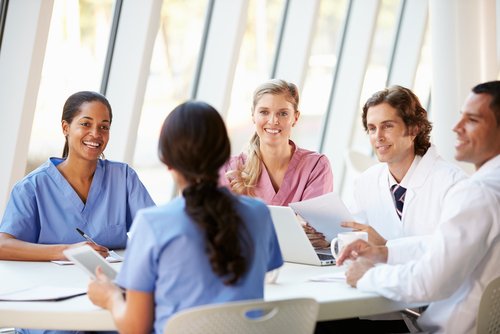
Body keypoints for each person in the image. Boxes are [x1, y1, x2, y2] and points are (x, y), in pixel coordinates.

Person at [87, 101, 283, 334]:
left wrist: (110, 297)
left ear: (167, 162)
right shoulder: (258, 213)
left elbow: (135, 327)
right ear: (222, 155)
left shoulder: (153, 224)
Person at [337, 81, 500, 334]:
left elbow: (430, 281)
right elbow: (443, 246)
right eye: (371, 128)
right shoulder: (490, 186)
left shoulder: (476, 191)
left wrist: (367, 276)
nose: (456, 128)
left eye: (473, 120)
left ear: (413, 130)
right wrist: (385, 251)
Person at [0, 91, 155, 263]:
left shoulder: (124, 177)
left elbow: (156, 228)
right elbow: (3, 246)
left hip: (113, 281)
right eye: (86, 124)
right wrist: (68, 251)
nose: (96, 134)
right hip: (54, 285)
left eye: (104, 127)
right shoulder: (31, 188)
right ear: (66, 128)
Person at [343, 85, 467, 246]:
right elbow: (352, 234)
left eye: (387, 126)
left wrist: (385, 247)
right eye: (372, 128)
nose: (378, 137)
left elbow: (455, 253)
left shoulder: (454, 184)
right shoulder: (367, 181)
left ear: (413, 129)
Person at [219, 79, 333, 247]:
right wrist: (293, 231)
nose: (273, 121)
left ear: (295, 117)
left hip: (302, 267)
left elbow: (315, 235)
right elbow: (221, 230)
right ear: (253, 115)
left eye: (283, 113)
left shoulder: (316, 167)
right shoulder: (231, 169)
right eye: (264, 112)